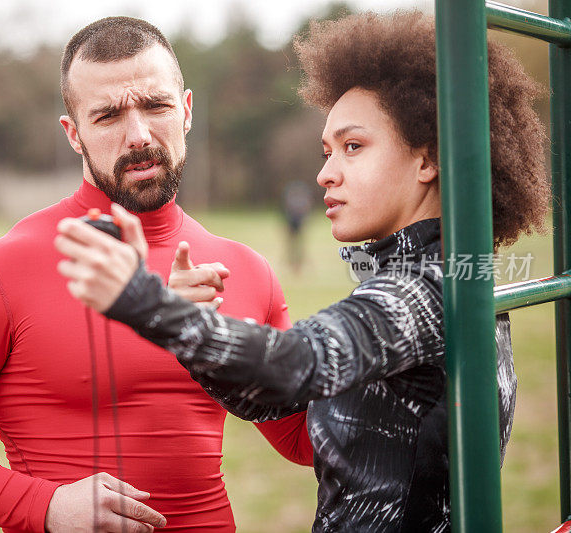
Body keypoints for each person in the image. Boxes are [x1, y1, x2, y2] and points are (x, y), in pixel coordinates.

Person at [55, 11, 549, 532]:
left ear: (427, 159)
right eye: (326, 150)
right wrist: (184, 323)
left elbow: (297, 361)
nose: (325, 172)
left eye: (353, 147)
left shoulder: (427, 287)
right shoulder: (440, 272)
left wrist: (145, 302)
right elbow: (279, 398)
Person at [0, 16, 312, 533]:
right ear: (73, 134)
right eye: (107, 116)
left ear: (186, 110)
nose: (139, 135)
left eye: (156, 105)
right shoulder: (0, 270)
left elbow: (303, 440)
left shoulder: (246, 271)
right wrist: (46, 505)